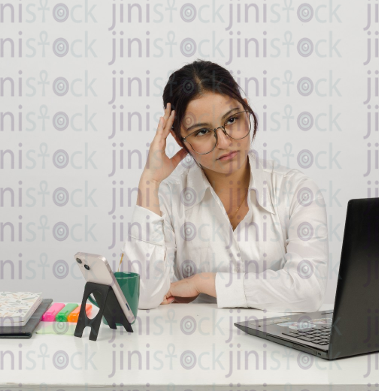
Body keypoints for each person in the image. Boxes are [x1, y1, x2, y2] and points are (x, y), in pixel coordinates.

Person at [121, 60, 329, 312]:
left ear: (246, 108)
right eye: (201, 132)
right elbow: (141, 296)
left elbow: (308, 292)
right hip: (192, 346)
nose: (223, 141)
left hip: (277, 349)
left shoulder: (297, 191)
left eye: (231, 120)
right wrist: (149, 182)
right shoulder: (167, 197)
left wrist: (207, 283)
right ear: (178, 139)